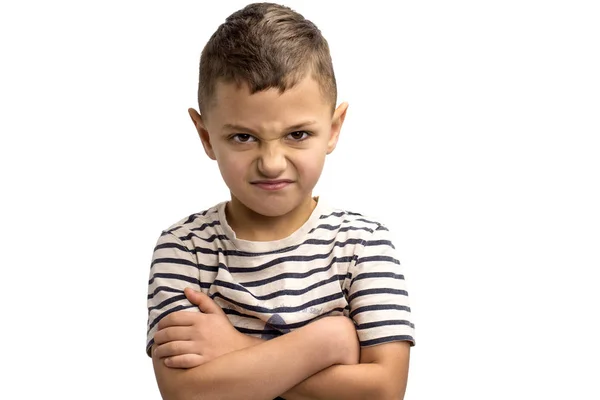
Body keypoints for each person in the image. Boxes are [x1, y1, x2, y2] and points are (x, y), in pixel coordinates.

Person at [145, 2, 416, 399]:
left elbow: (383, 391)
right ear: (206, 137)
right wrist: (325, 343)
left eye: (298, 134)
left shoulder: (362, 243)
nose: (272, 164)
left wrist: (238, 349)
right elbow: (185, 393)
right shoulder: (185, 249)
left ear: (333, 129)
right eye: (243, 137)